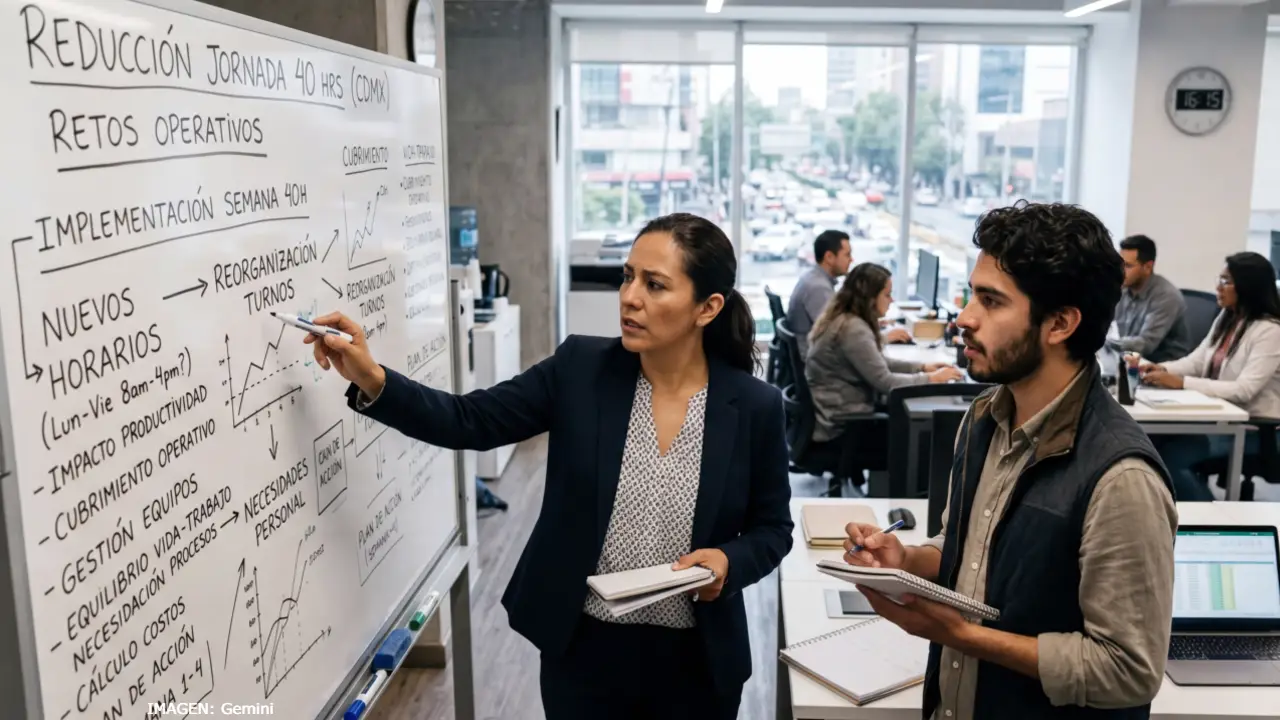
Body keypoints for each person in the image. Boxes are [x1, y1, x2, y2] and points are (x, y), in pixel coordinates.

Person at [306, 213, 792, 719]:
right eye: (627, 277)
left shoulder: (754, 407)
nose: (629, 297)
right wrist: (371, 376)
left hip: (698, 663)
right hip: (584, 653)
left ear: (707, 307)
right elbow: (468, 420)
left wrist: (730, 563)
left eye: (655, 284)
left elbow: (773, 529)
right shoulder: (580, 370)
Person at [843, 202, 1177, 719]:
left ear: (1060, 323)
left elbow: (1127, 670)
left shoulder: (1121, 478)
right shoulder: (983, 419)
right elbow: (966, 551)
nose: (964, 318)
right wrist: (906, 562)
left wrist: (964, 636)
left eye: (991, 301)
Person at [1142, 251, 1280, 501]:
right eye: (1220, 278)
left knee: (1173, 461)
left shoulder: (1270, 331)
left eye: (1227, 281)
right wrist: (1160, 370)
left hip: (1253, 430)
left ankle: (1208, 524)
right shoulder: (1228, 319)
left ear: (1248, 286)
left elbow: (1244, 390)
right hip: (1219, 421)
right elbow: (1196, 362)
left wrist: (1182, 383)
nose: (1218, 286)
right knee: (1150, 445)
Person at [805, 262, 962, 443]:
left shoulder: (845, 319)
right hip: (845, 426)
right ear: (870, 298)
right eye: (887, 295)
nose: (892, 300)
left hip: (842, 413)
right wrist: (932, 379)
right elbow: (886, 382)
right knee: (927, 433)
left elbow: (877, 362)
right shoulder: (852, 329)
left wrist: (923, 367)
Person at [1110, 234, 1193, 363]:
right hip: (1129, 360)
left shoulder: (1166, 296)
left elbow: (1146, 344)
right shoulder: (1123, 288)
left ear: (1147, 267)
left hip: (1162, 368)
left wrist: (1105, 341)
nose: (1120, 271)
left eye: (1128, 266)